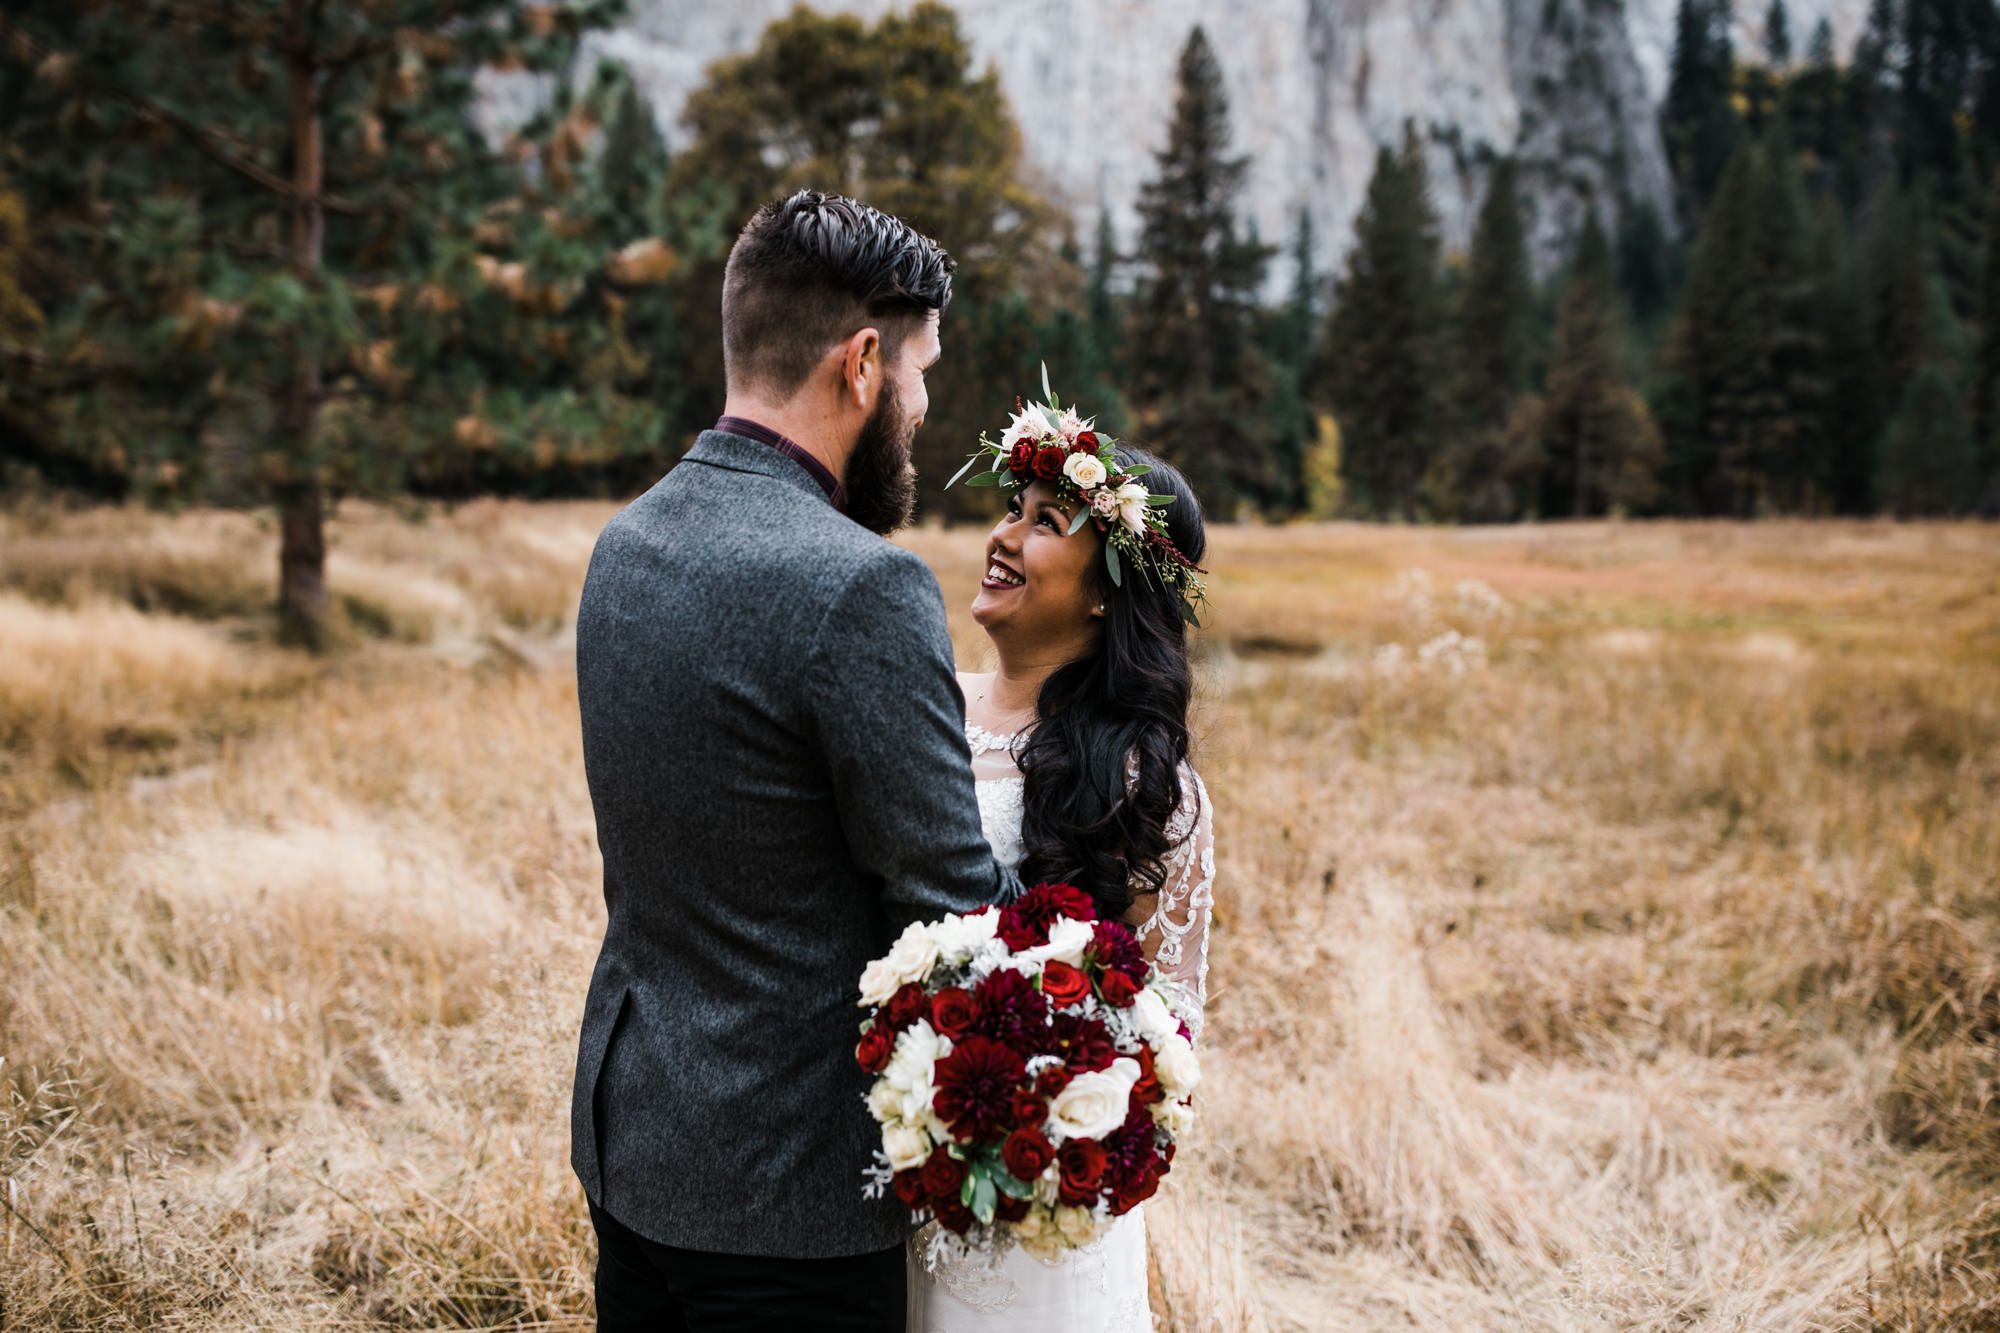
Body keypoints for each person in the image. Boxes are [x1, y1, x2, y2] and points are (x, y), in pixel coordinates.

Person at [570, 189, 1020, 1332]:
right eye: (919, 375)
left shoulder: (622, 548)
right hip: (790, 1206)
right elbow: (949, 911)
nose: (920, 408)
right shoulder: (862, 587)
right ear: (861, 363)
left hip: (634, 1153)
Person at [909, 437, 1217, 1331]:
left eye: (1047, 522)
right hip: (885, 1159)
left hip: (1041, 1199)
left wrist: (1043, 1125)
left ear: (1101, 593)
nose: (1004, 535)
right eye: (1013, 508)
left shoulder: (1146, 785)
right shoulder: (919, 708)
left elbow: (1166, 1038)